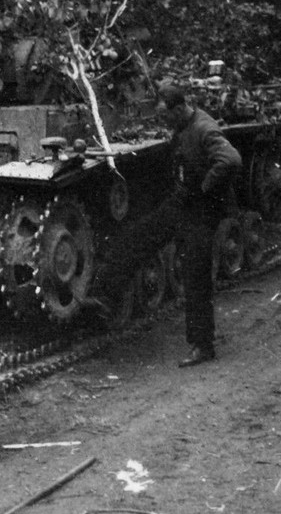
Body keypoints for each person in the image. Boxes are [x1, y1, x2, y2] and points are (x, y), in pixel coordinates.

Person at [84, 82, 242, 367]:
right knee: (139, 237)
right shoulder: (184, 126)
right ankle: (105, 300)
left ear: (179, 109)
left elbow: (230, 160)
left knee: (195, 274)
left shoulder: (204, 128)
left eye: (165, 116)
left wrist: (205, 187)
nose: (164, 122)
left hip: (200, 210)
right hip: (182, 203)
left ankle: (202, 345)